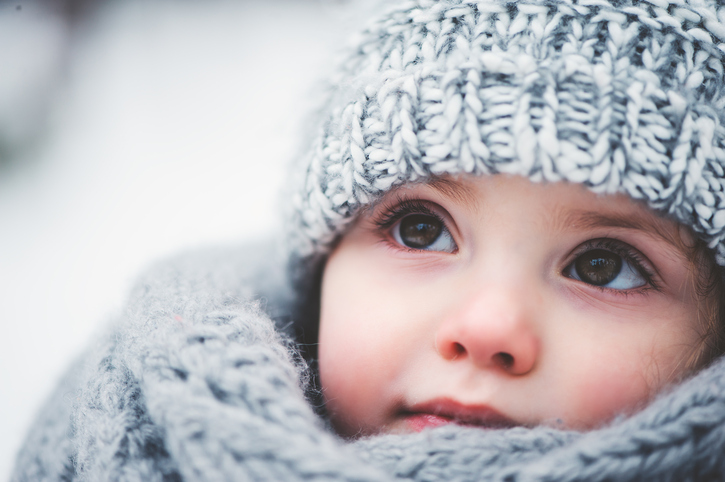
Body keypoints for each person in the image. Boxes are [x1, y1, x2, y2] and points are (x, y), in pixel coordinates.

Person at [12, 0, 725, 480]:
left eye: (601, 268)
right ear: (319, 268)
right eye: (420, 229)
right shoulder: (122, 431)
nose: (484, 330)